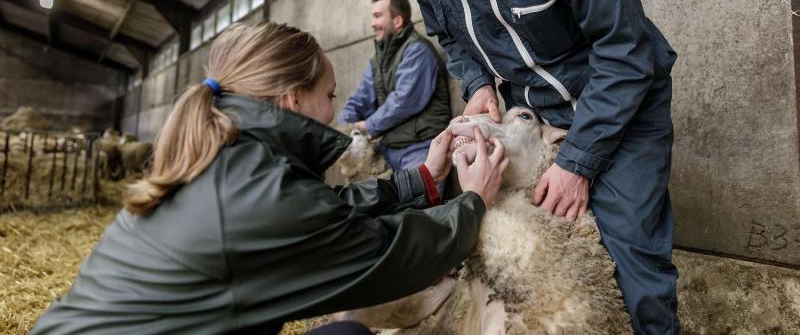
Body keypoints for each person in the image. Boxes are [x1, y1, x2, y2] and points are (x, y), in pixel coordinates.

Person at [348, 0, 680, 334]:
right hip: (531, 115)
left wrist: (578, 161)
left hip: (619, 105)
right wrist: (479, 85)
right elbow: (451, 37)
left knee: (632, 256)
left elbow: (626, 51)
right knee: (511, 259)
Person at [31, 22, 508, 335]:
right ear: (290, 100)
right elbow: (392, 255)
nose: (335, 110)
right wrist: (473, 203)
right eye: (328, 94)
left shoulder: (229, 156)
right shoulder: (257, 191)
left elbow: (330, 213)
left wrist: (422, 178)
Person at [339, 0, 451, 174]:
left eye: (377, 16)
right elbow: (360, 98)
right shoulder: (377, 60)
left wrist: (364, 126)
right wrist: (342, 129)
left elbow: (404, 102)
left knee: (417, 202)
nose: (372, 24)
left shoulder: (418, 50)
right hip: (389, 149)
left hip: (420, 150)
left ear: (397, 21)